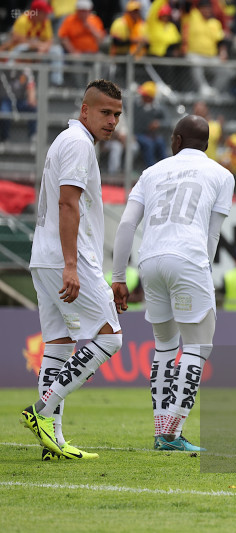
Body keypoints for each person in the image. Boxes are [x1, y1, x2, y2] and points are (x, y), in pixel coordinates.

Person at [111, 115, 234, 452]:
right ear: (206, 144)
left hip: (149, 260)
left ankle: (161, 430)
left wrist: (119, 277)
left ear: (176, 140)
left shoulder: (151, 173)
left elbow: (125, 226)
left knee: (165, 346)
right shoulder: (222, 175)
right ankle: (171, 432)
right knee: (198, 346)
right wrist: (202, 274)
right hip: (189, 258)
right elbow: (212, 234)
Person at [20, 79, 124, 461]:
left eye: (116, 114)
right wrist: (71, 265)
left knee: (59, 346)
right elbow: (67, 204)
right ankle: (43, 411)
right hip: (67, 257)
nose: (112, 121)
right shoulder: (79, 143)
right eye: (105, 112)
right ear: (85, 111)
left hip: (43, 254)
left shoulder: (66, 140)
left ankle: (54, 440)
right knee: (110, 338)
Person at [133, 81, 168, 168]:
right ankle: (150, 168)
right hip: (138, 134)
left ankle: (164, 168)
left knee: (160, 142)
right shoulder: (135, 106)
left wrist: (159, 124)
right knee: (148, 144)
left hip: (153, 135)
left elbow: (168, 121)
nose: (142, 97)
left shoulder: (158, 108)